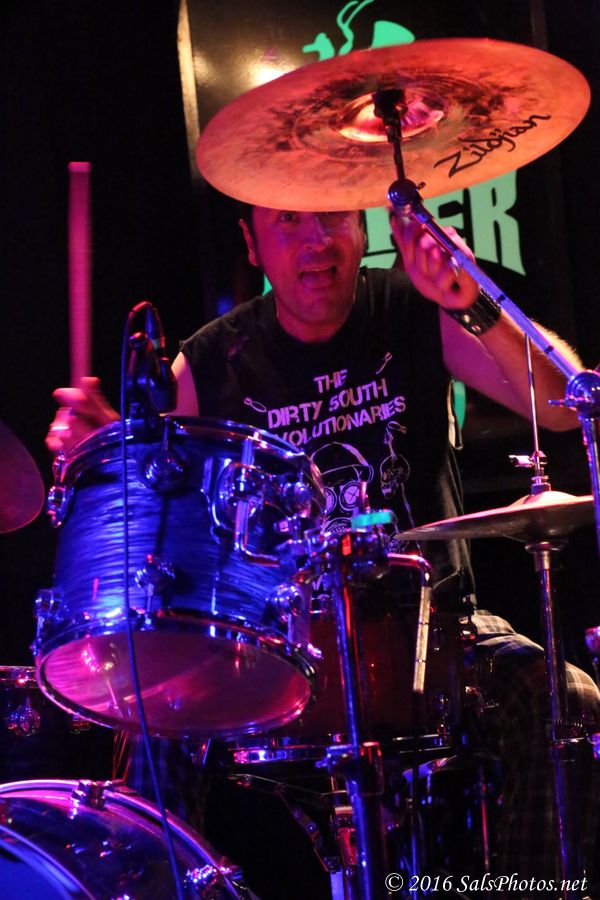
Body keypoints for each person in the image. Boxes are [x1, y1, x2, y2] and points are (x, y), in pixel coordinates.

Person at [47, 209, 599, 898]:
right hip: (276, 652)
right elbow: (156, 518)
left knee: (565, 697)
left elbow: (567, 406)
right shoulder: (210, 363)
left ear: (362, 227)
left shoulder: (412, 309)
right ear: (251, 242)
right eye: (287, 221)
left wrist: (476, 303)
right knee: (152, 721)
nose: (315, 240)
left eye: (332, 215)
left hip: (437, 638)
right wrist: (117, 460)